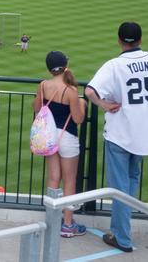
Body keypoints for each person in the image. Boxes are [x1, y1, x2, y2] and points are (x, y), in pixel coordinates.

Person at [85, 22, 148, 253]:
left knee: (119, 189)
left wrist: (103, 104)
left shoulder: (114, 65)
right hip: (145, 134)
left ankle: (122, 237)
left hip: (120, 134)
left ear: (119, 40)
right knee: (130, 184)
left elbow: (90, 91)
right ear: (141, 39)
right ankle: (122, 228)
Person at [33, 51, 86, 238]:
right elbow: (78, 118)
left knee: (54, 177)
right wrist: (82, 104)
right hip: (67, 136)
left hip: (48, 135)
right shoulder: (70, 90)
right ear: (65, 66)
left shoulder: (43, 85)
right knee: (69, 179)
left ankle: (52, 220)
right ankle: (68, 224)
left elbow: (37, 108)